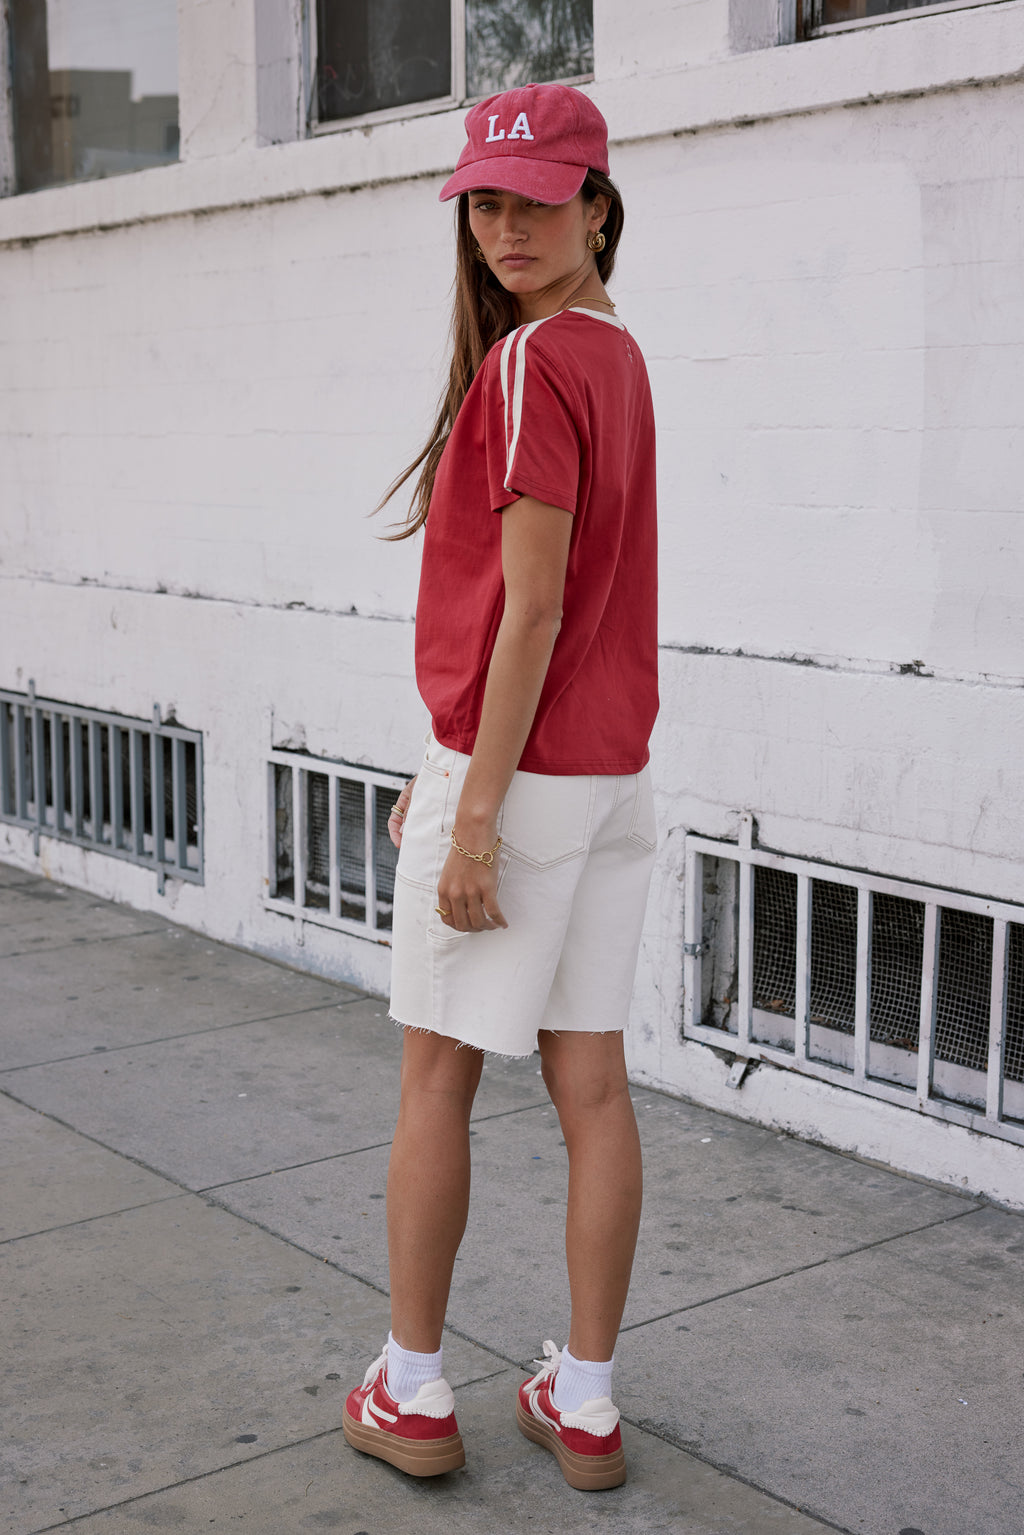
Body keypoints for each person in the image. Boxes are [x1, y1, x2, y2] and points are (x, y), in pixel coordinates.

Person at [342, 82, 658, 1493]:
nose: (508, 225)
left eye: (538, 198)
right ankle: (583, 1403)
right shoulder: (617, 357)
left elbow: (529, 611)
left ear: (599, 204)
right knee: (592, 1087)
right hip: (605, 780)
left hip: (519, 778)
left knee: (436, 1077)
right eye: (485, 200)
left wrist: (470, 805)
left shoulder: (534, 368)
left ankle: (411, 1390)